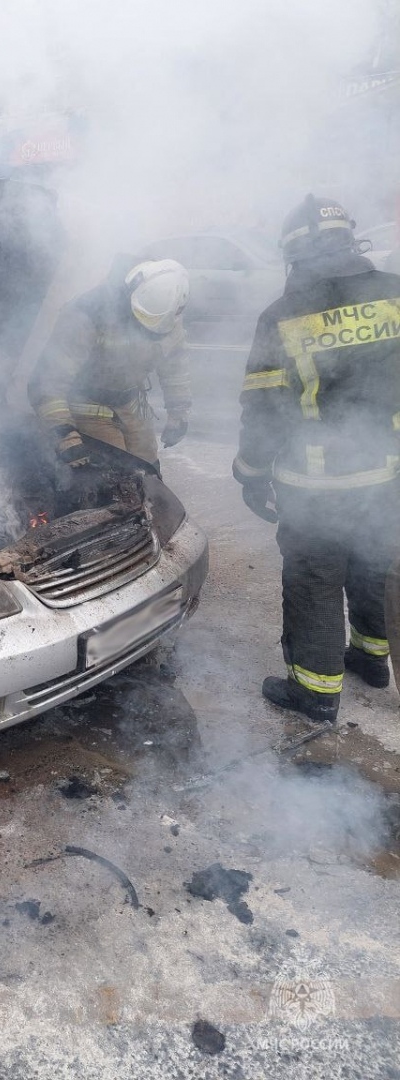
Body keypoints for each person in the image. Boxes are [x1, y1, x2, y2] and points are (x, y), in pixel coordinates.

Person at [233, 195, 400, 722]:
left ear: (295, 255)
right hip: (391, 471)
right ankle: (373, 660)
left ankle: (316, 692)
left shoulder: (283, 315)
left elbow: (264, 410)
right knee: (374, 559)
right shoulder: (393, 294)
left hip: (319, 483)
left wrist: (250, 474)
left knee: (315, 577)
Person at [28, 256, 191, 472]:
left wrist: (178, 412)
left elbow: (174, 366)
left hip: (131, 406)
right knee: (117, 477)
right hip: (86, 409)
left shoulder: (166, 312)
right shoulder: (87, 317)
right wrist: (64, 435)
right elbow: (47, 383)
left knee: (148, 470)